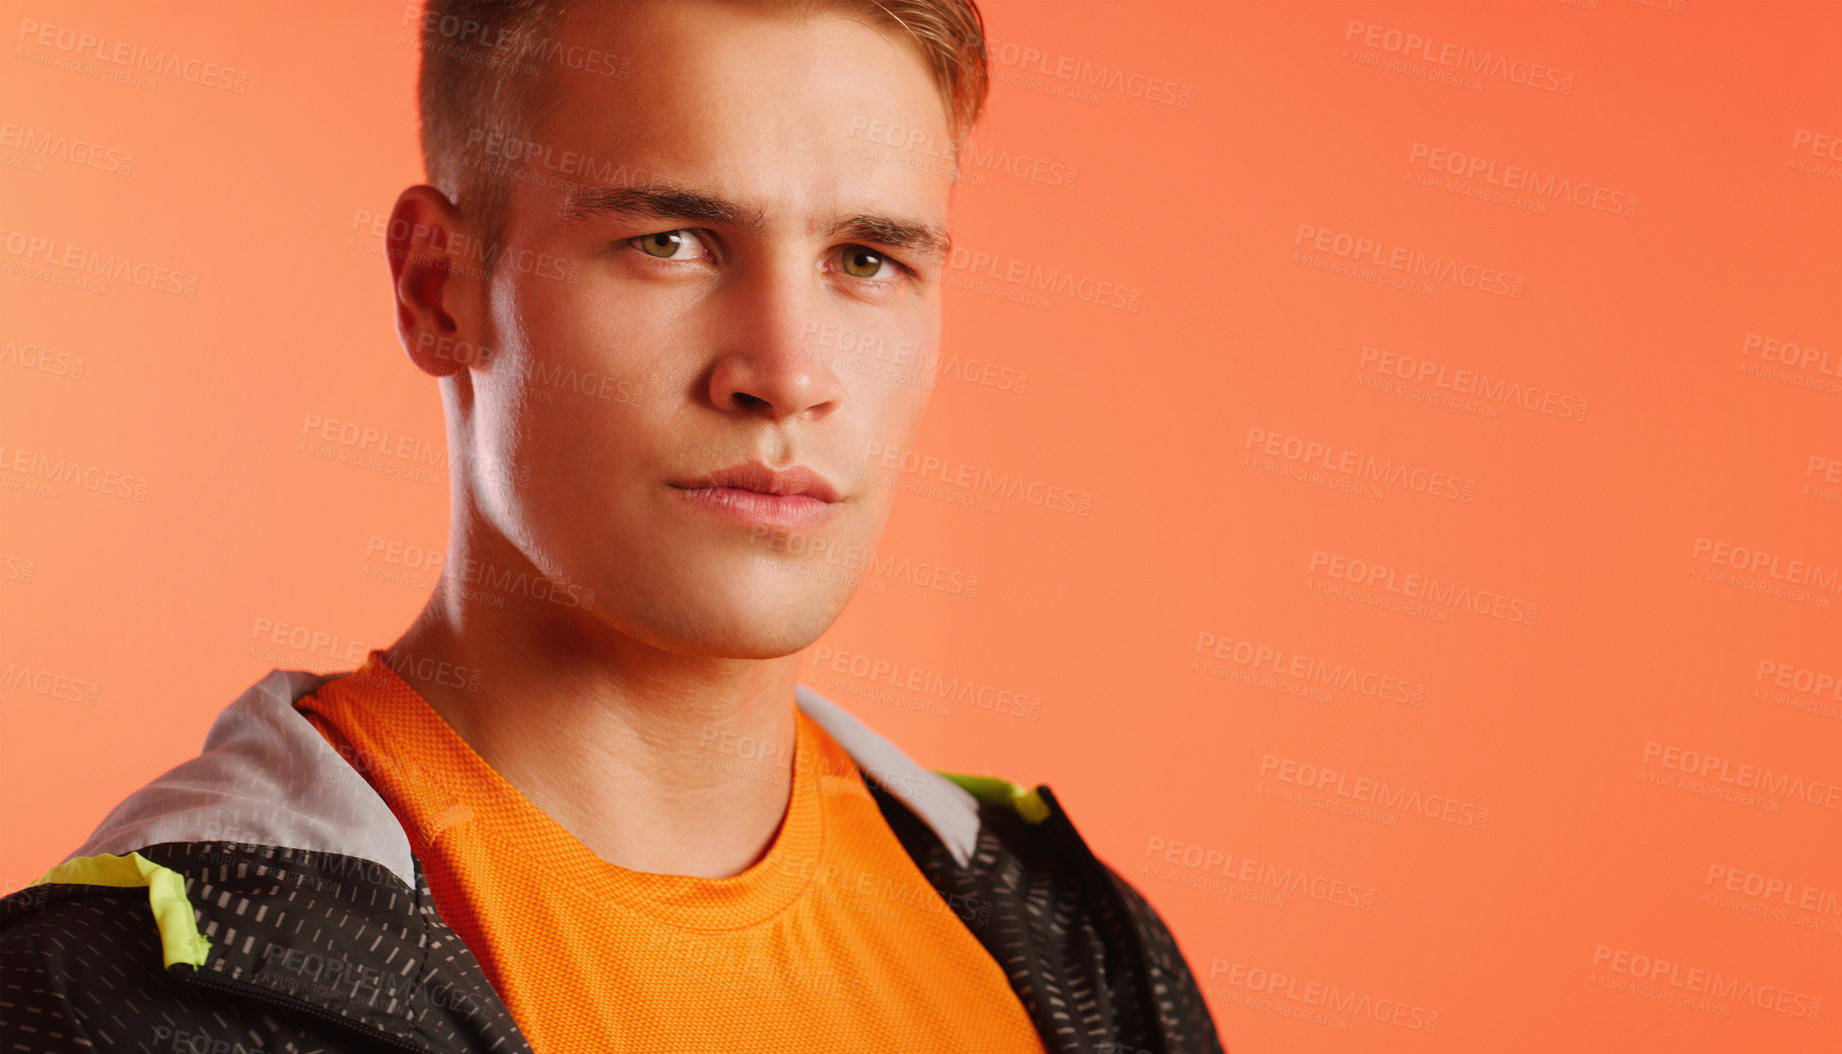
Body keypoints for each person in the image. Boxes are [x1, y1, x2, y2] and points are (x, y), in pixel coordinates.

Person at [1, 2, 1222, 1051]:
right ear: (439, 288)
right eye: (671, 241)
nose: (785, 374)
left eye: (864, 257)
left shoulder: (1069, 943)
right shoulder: (138, 992)